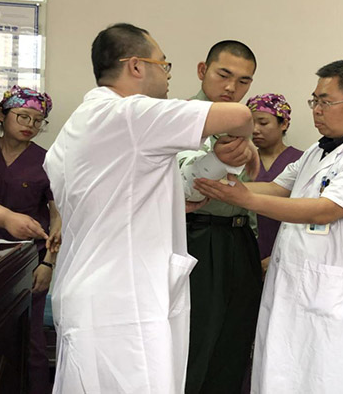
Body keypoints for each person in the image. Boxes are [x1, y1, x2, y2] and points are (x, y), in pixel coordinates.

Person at [43, 23, 256, 394]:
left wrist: (216, 163)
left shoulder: (81, 123)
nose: (167, 75)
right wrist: (243, 138)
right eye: (163, 64)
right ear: (136, 65)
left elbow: (145, 191)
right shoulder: (131, 113)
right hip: (124, 301)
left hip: (93, 290)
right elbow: (240, 116)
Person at [194, 60, 343, 394]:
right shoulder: (318, 150)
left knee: (326, 376)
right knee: (281, 372)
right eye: (314, 100)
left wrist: (244, 198)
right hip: (293, 283)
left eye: (325, 101)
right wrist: (216, 187)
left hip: (333, 294)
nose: (316, 110)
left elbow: (325, 210)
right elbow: (277, 188)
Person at [178, 41, 262, 394]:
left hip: (239, 240)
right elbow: (186, 185)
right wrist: (221, 158)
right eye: (223, 75)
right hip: (198, 238)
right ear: (203, 70)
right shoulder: (181, 117)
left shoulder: (241, 124)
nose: (231, 87)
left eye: (243, 81)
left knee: (233, 345)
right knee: (195, 344)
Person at [0, 85, 60, 394]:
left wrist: (48, 263)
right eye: (23, 116)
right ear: (1, 114)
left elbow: (58, 216)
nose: (30, 125)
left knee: (32, 342)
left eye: (37, 121)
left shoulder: (46, 162)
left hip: (28, 264)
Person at [247, 93, 303, 275]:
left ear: (284, 123)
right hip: (245, 251)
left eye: (263, 123)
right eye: (250, 124)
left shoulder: (301, 162)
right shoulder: (240, 161)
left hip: (289, 255)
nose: (255, 130)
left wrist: (277, 256)